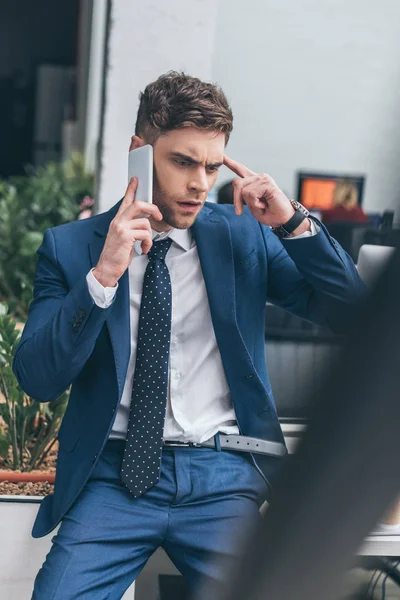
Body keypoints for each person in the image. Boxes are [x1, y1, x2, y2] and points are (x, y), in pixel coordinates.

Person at [13, 71, 364, 599]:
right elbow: (37, 378)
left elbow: (354, 314)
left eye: (213, 165)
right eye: (183, 162)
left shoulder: (242, 235)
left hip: (222, 477)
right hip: (113, 478)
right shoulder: (71, 249)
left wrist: (293, 223)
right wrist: (102, 277)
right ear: (139, 151)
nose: (200, 183)